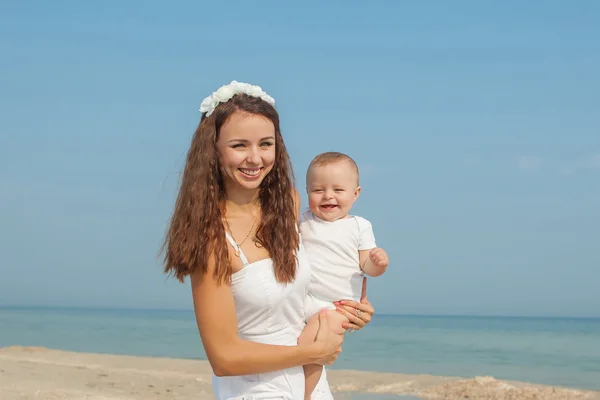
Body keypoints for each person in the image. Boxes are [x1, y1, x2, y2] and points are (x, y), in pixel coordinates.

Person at [162, 81, 375, 400]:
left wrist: (346, 307)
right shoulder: (211, 238)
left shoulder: (287, 204)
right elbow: (224, 358)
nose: (255, 158)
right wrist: (313, 353)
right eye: (239, 145)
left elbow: (305, 293)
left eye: (265, 144)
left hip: (313, 386)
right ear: (213, 150)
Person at [297, 151, 389, 399]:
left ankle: (304, 394)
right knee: (300, 348)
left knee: (315, 352)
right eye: (318, 190)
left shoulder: (359, 226)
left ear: (355, 194)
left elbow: (367, 266)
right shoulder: (302, 220)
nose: (328, 196)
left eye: (338, 190)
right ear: (307, 192)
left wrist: (378, 264)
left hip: (338, 306)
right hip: (303, 299)